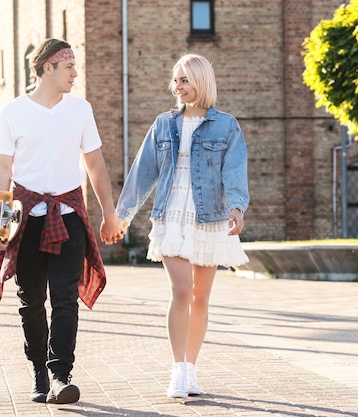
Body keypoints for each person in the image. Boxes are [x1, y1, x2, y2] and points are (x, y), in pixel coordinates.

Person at [0, 38, 125, 405]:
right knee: (31, 301)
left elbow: (95, 164)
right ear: (48, 67)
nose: (75, 74)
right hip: (25, 220)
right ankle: (38, 373)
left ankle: (60, 373)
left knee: (65, 299)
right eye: (69, 67)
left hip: (68, 216)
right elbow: (2, 171)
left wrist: (109, 213)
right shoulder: (12, 112)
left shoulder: (80, 110)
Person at [116, 53, 249, 398]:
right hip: (172, 213)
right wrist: (123, 214)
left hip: (210, 216)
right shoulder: (163, 124)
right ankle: (177, 369)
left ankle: (191, 368)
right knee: (180, 291)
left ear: (201, 82)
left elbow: (234, 170)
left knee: (201, 298)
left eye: (185, 80)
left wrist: (237, 206)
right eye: (175, 80)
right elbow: (143, 173)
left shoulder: (226, 125)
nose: (178, 87)